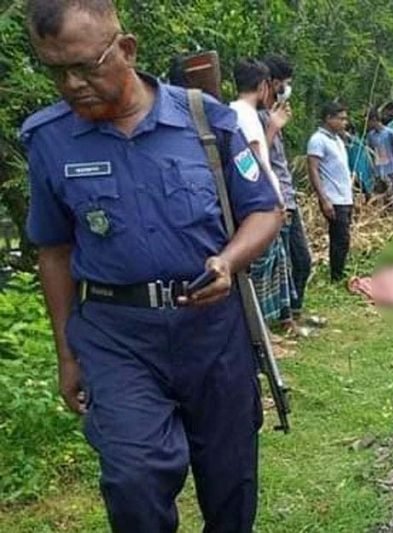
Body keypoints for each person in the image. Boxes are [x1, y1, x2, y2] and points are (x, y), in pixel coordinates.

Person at [22, 1, 283, 530]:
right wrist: (66, 354)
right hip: (117, 337)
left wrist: (228, 262)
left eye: (85, 66)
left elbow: (265, 210)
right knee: (132, 479)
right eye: (56, 71)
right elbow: (54, 251)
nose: (71, 84)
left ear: (126, 48)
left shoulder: (205, 120)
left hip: (212, 332)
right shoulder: (48, 139)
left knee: (230, 481)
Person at [230, 60, 293, 326]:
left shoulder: (232, 112)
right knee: (261, 273)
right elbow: (255, 163)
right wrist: (275, 201)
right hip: (260, 206)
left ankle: (265, 331)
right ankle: (259, 332)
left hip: (252, 204)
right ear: (264, 86)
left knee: (263, 270)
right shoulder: (247, 116)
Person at [263, 54, 313, 327]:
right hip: (276, 202)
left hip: (287, 199)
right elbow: (257, 159)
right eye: (285, 84)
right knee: (284, 265)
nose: (287, 89)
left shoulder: (274, 115)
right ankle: (285, 321)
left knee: (300, 261)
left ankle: (293, 315)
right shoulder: (260, 118)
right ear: (271, 83)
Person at [307, 102, 354, 282]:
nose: (345, 122)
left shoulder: (337, 139)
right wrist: (324, 199)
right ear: (329, 118)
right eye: (341, 119)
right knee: (339, 238)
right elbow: (313, 170)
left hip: (345, 196)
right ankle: (336, 276)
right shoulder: (318, 140)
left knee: (343, 238)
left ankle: (339, 271)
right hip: (333, 198)